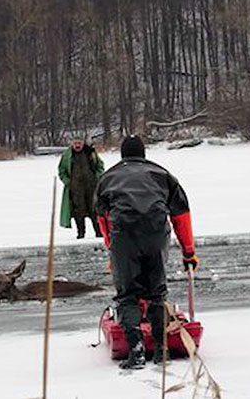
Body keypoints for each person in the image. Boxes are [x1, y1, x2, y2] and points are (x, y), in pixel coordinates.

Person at [95, 135, 199, 369]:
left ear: (122, 155)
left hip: (124, 235)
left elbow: (103, 219)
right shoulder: (162, 175)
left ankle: (136, 352)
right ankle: (162, 351)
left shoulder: (107, 178)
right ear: (144, 154)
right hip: (155, 234)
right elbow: (181, 216)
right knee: (156, 293)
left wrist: (113, 249)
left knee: (127, 294)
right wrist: (188, 252)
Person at [58, 136, 104, 238]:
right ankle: (81, 233)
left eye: (79, 143)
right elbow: (61, 171)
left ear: (83, 143)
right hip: (75, 189)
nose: (77, 145)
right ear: (72, 144)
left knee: (94, 210)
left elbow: (100, 166)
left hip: (91, 187)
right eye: (75, 143)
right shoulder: (67, 156)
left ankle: (99, 232)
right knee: (78, 211)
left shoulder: (90, 153)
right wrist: (67, 182)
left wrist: (97, 177)